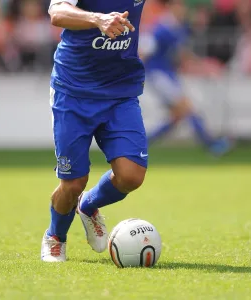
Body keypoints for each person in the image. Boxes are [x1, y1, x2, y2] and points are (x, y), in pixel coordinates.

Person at [41, 0, 148, 262]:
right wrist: (97, 19)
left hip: (120, 90)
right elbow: (57, 12)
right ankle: (55, 236)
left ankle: (88, 206)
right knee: (74, 183)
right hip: (74, 89)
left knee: (131, 176)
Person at [139, 0, 231, 155]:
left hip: (168, 75)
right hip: (159, 75)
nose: (182, 9)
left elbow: (182, 54)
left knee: (177, 116)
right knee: (187, 108)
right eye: (179, 5)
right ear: (171, 7)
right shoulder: (161, 28)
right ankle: (212, 145)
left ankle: (143, 144)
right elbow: (144, 52)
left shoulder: (177, 27)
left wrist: (200, 65)